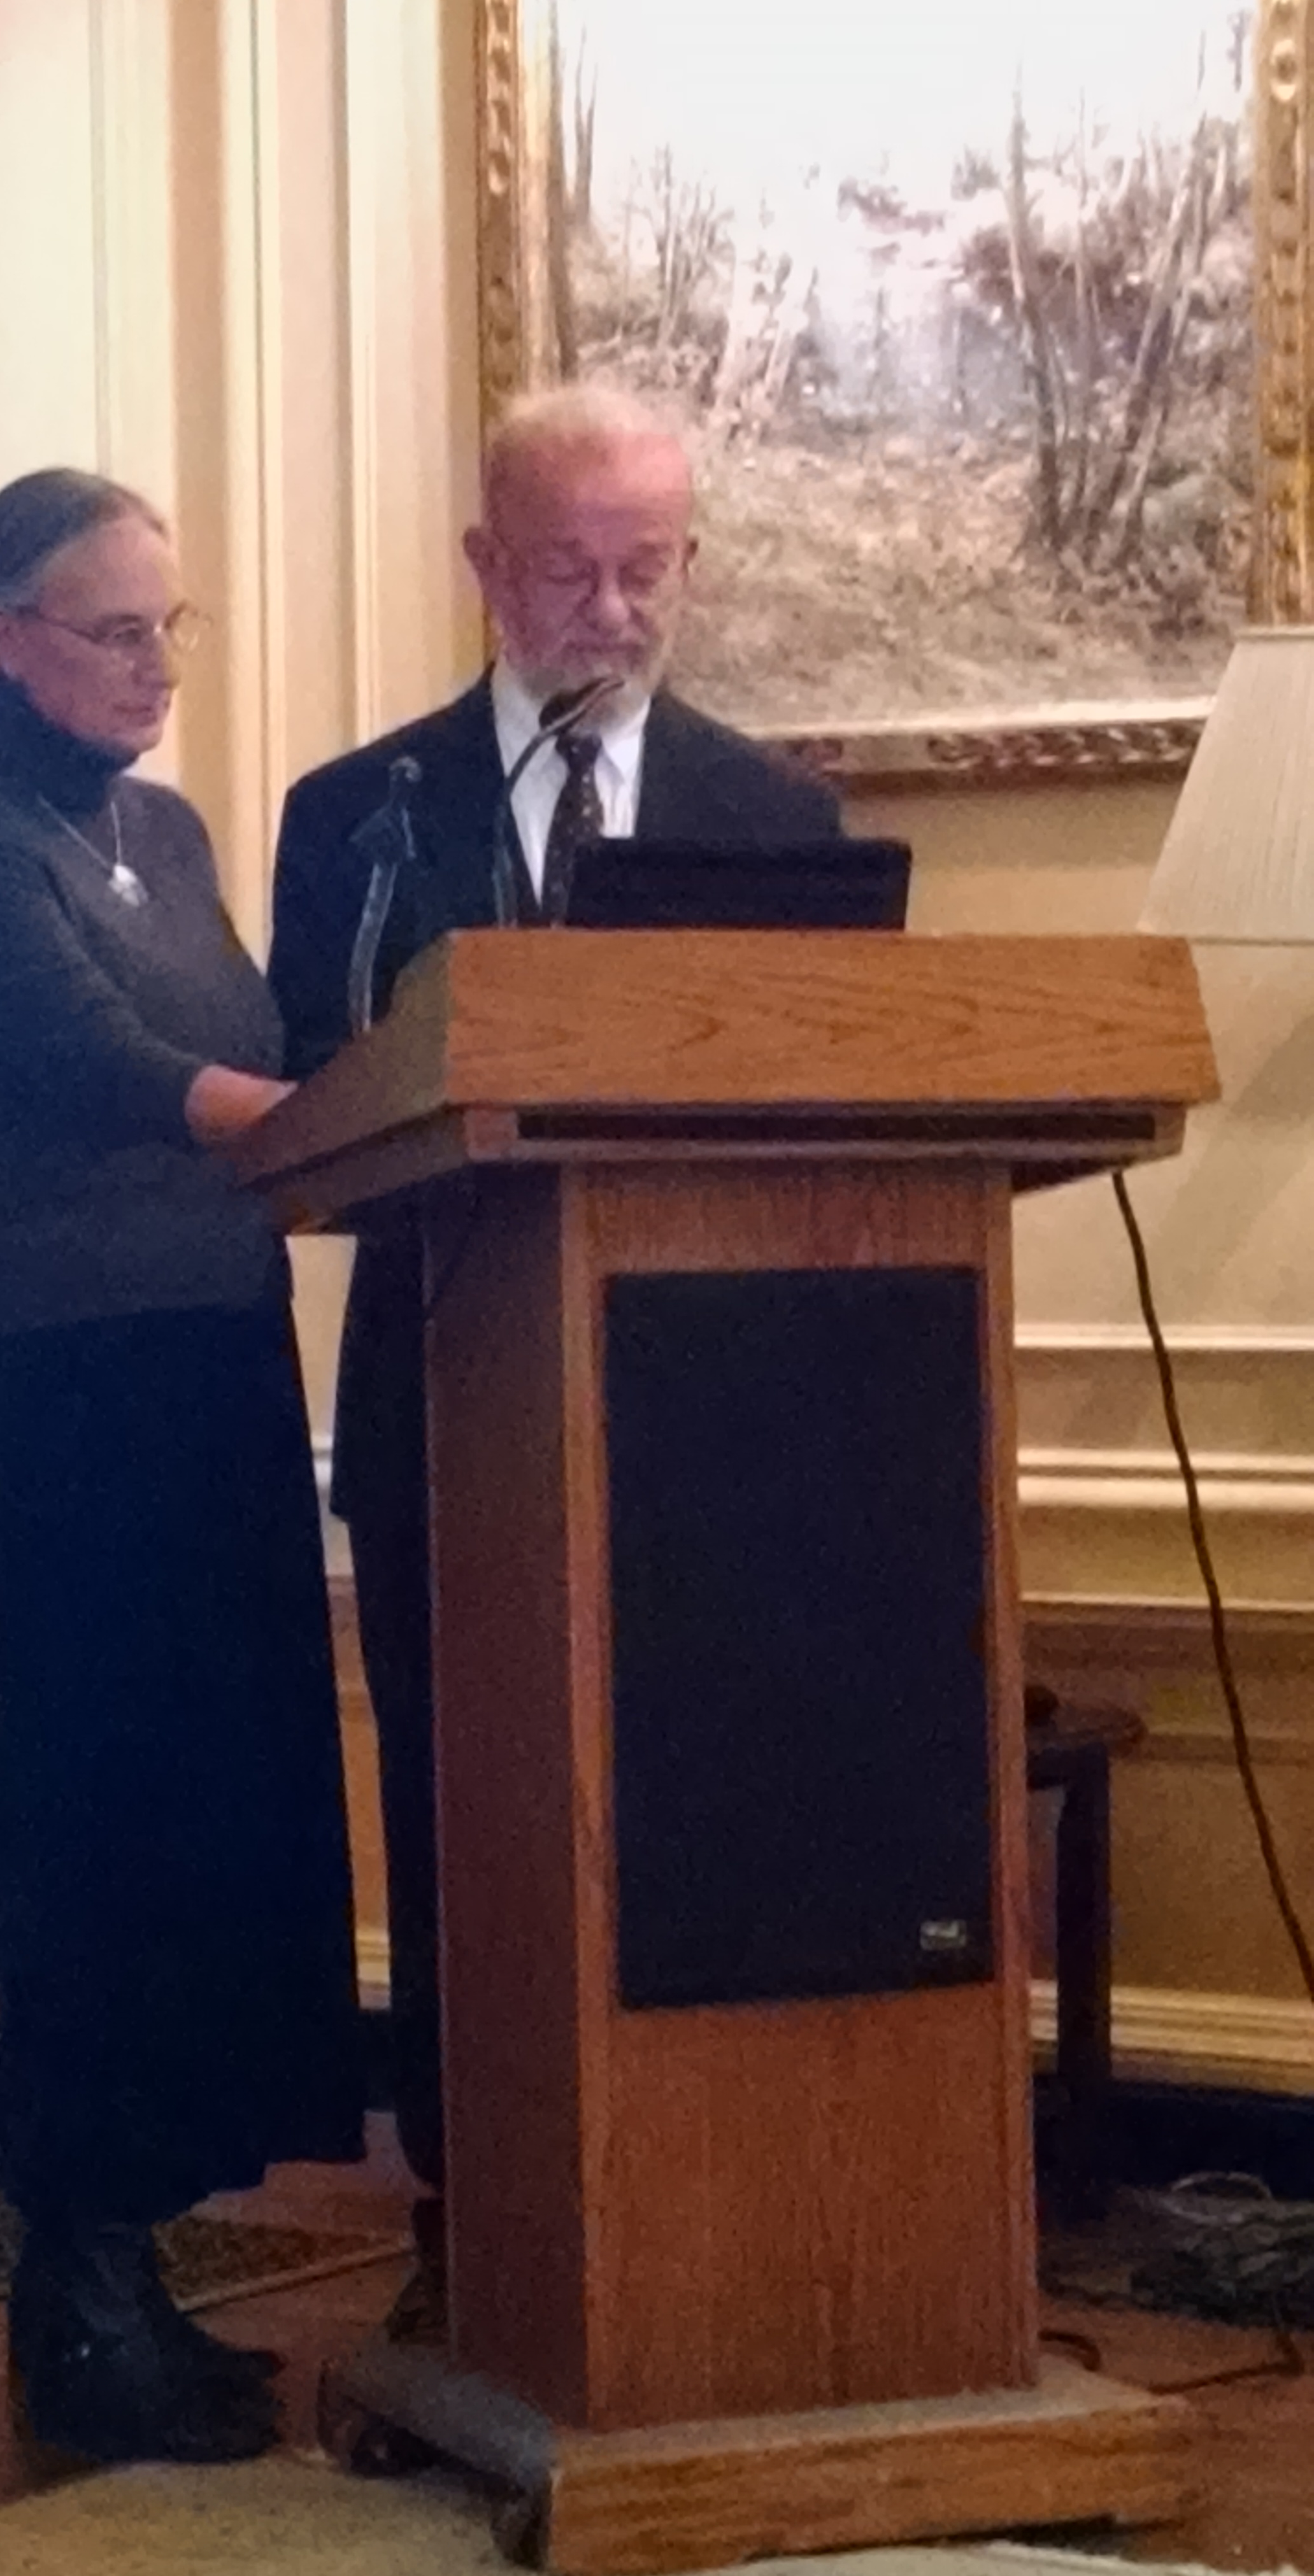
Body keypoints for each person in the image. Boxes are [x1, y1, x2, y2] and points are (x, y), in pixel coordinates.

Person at [268, 387, 841, 2330]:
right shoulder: (357, 816)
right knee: (460, 1801)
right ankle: (472, 2215)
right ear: (485, 567)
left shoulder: (778, 817)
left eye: (646, 569)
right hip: (449, 1393)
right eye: (569, 570)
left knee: (692, 1794)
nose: (610, 611)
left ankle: (710, 2208)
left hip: (709, 1416)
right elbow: (329, 1112)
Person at [0, 469, 364, 2465]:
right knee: (88, 1821)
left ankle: (131, 2271)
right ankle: (71, 2290)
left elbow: (252, 1029)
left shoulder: (159, 827)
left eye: (171, 626)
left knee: (206, 1823)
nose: (152, 664)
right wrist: (351, 1117)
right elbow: (108, 1064)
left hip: (211, 1368)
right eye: (109, 629)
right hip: (62, 1398)